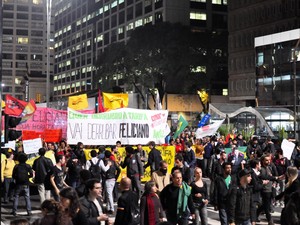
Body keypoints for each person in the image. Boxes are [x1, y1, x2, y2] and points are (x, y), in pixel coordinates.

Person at [257, 153, 284, 225]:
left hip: (270, 188)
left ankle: (255, 214)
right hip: (264, 189)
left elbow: (271, 176)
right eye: (266, 160)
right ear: (262, 161)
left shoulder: (269, 167)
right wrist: (275, 178)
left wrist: (275, 180)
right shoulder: (261, 169)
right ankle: (269, 220)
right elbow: (265, 177)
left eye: (269, 160)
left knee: (266, 204)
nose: (268, 162)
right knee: (266, 205)